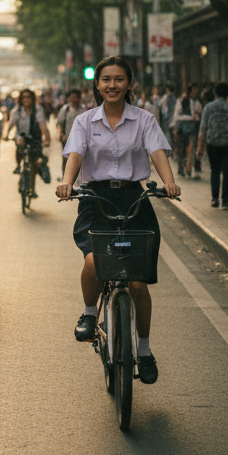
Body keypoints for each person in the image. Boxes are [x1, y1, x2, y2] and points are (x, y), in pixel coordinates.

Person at [56, 56, 179, 384]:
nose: (112, 85)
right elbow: (75, 155)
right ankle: (89, 314)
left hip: (135, 199)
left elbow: (157, 153)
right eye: (106, 79)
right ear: (97, 85)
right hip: (95, 200)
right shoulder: (84, 121)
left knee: (137, 282)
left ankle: (145, 350)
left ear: (129, 84)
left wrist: (169, 182)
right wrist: (68, 183)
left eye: (119, 79)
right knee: (94, 261)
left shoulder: (144, 120)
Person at [197, 82, 228, 210]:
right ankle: (225, 201)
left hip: (212, 143)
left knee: (214, 171)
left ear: (215, 93)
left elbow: (203, 129)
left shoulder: (208, 108)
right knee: (227, 172)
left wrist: (199, 148)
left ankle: (214, 199)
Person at [7, 88, 51, 186]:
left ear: (32, 99)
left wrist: (47, 140)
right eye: (23, 97)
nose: (26, 99)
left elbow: (43, 126)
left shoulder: (38, 109)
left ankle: (33, 186)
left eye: (28, 97)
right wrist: (6, 135)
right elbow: (11, 123)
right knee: (20, 142)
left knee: (36, 162)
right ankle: (18, 165)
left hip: (35, 138)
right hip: (21, 137)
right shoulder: (17, 110)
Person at [174, 84, 201, 178]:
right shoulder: (192, 102)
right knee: (190, 147)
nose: (195, 93)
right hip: (188, 124)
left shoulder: (182, 100)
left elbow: (176, 113)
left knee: (183, 148)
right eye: (193, 91)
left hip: (182, 124)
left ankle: (184, 169)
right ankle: (188, 169)